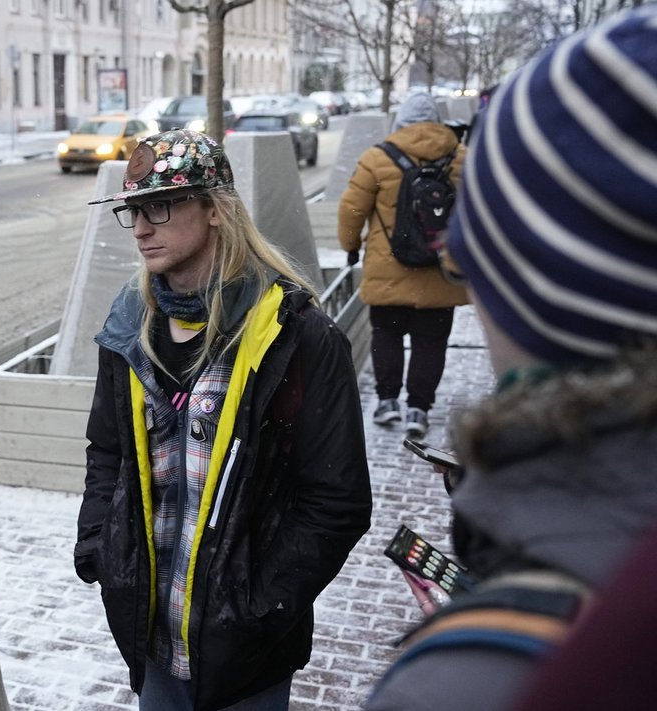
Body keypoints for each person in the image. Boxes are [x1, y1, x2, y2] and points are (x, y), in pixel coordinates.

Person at [364, 8, 657, 710]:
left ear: (523, 279)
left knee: (395, 343)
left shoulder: (470, 680)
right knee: (428, 345)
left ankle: (393, 399)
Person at [75, 129, 372, 711]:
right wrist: (100, 550)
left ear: (215, 208)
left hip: (247, 653)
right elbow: (106, 451)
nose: (140, 226)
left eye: (159, 206)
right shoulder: (128, 327)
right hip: (151, 634)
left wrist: (261, 608)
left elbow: (335, 501)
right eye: (132, 210)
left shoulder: (297, 336)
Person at [338, 91, 468, 438]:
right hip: (440, 271)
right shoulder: (461, 158)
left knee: (387, 335)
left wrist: (350, 247)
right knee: (431, 342)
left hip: (388, 272)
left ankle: (387, 401)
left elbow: (352, 210)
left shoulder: (377, 159)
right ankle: (418, 409)